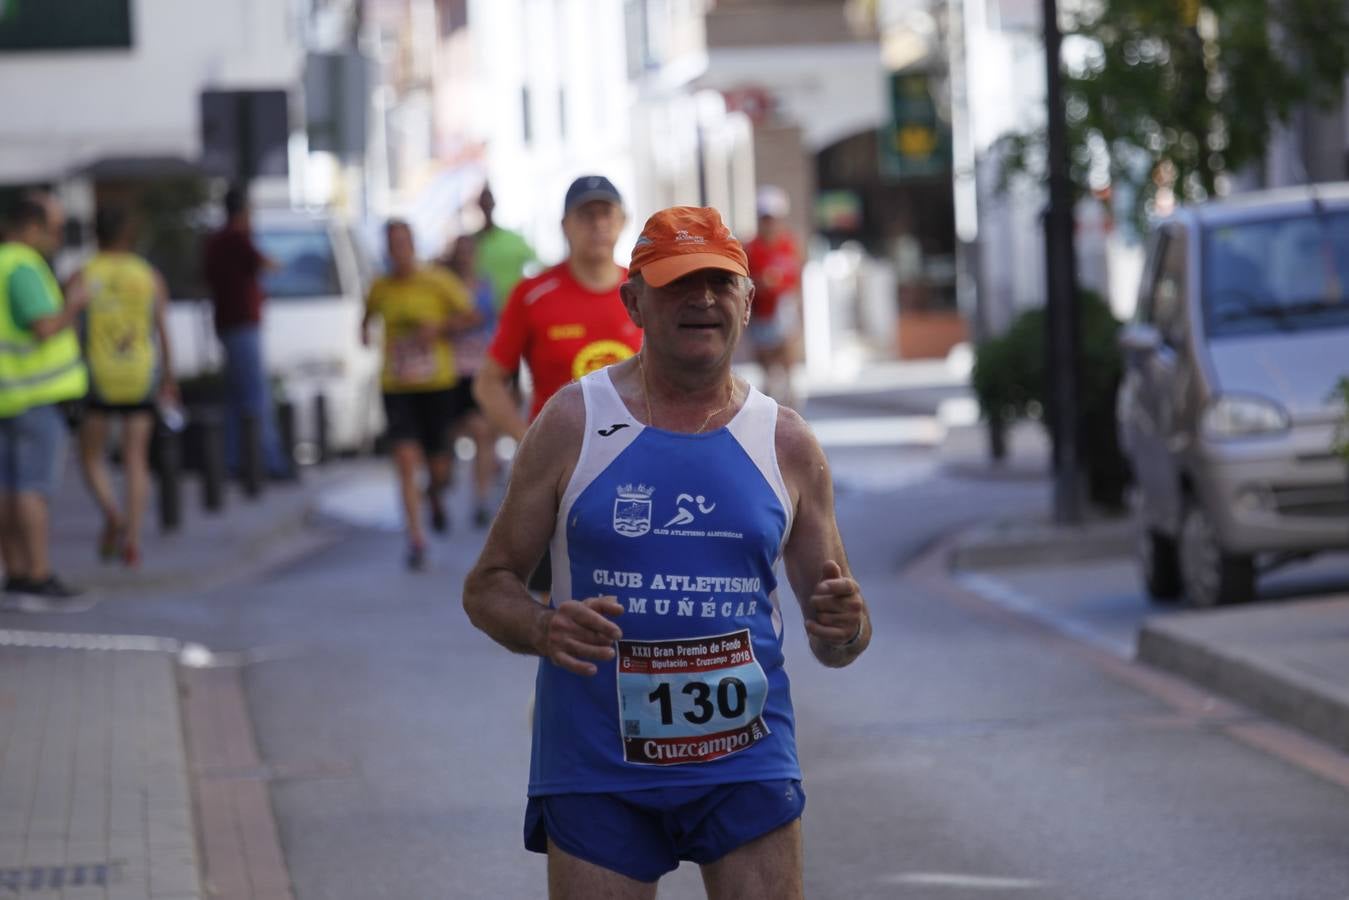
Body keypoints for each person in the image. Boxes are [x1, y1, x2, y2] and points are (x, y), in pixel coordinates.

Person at [462, 206, 871, 899]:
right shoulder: (571, 422)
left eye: (719, 282)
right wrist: (540, 625)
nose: (702, 300)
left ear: (746, 300)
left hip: (745, 757)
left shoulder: (787, 443)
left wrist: (846, 626)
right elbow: (488, 584)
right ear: (634, 302)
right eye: (679, 284)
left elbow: (838, 639)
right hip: (597, 762)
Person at [473, 174, 642, 593]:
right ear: (565, 226)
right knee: (559, 608)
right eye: (586, 216)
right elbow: (489, 382)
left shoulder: (646, 294)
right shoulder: (534, 295)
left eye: (607, 215)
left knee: (637, 600)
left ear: (623, 222)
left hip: (638, 471)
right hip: (558, 475)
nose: (598, 226)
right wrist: (525, 438)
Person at [362, 219, 479, 569]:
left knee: (438, 464)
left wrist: (440, 328)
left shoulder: (438, 282)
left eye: (404, 242)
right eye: (392, 243)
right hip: (396, 386)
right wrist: (365, 334)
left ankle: (435, 494)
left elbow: (473, 316)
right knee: (405, 459)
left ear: (413, 245)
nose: (398, 250)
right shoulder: (380, 287)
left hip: (437, 384)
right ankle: (416, 539)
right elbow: (366, 316)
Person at [68, 206, 176, 568]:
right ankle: (132, 539)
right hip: (140, 375)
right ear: (128, 234)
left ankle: (112, 512)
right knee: (136, 458)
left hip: (98, 376)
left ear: (96, 234)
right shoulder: (148, 276)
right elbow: (161, 331)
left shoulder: (83, 275)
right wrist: (169, 377)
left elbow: (71, 332)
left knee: (91, 456)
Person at [0, 193, 90, 605]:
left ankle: (16, 572)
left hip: (8, 394)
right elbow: (43, 327)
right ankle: (36, 573)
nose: (56, 240)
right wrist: (74, 303)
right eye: (53, 230)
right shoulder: (22, 266)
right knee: (32, 488)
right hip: (34, 396)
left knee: (7, 487)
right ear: (30, 227)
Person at [200, 183, 290, 480]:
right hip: (241, 325)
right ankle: (269, 462)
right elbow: (268, 263)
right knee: (255, 395)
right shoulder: (237, 238)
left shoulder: (215, 240)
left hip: (227, 323)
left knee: (236, 396)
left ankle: (232, 460)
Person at [438, 234, 499, 529]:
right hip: (448, 370)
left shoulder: (486, 286)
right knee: (448, 435)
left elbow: (496, 325)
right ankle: (440, 483)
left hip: (479, 368)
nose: (465, 257)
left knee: (481, 431)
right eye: (460, 251)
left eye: (469, 252)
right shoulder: (443, 287)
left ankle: (481, 498)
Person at [744, 186, 802, 408]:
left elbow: (796, 277)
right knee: (767, 360)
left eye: (773, 219)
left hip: (783, 307)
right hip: (761, 311)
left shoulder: (789, 245)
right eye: (766, 219)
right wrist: (761, 282)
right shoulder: (751, 248)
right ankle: (771, 393)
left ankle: (790, 394)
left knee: (787, 353)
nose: (770, 224)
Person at [473, 184, 537, 313]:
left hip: (515, 308)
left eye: (488, 200)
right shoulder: (471, 243)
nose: (486, 205)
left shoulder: (513, 239)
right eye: (483, 202)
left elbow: (536, 266)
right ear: (478, 205)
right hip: (482, 314)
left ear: (494, 203)